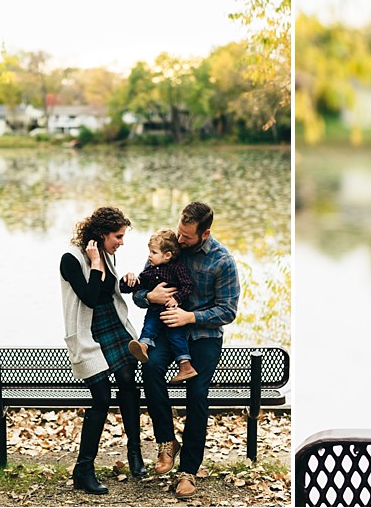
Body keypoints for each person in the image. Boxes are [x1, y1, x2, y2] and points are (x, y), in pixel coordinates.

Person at [132, 202, 239, 499]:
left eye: (187, 236)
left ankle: (188, 471)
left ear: (205, 234)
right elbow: (141, 290)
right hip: (168, 329)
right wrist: (147, 296)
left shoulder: (223, 261)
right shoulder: (169, 245)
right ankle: (167, 442)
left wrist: (190, 316)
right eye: (179, 231)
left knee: (197, 394)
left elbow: (228, 311)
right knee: (151, 367)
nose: (180, 240)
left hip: (203, 335)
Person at [59, 206, 146, 494]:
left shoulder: (107, 254)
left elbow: (108, 290)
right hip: (87, 335)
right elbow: (90, 298)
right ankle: (84, 469)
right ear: (101, 235)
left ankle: (135, 452)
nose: (121, 242)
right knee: (102, 398)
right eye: (118, 236)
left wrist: (126, 281)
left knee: (127, 382)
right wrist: (96, 263)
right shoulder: (71, 260)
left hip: (113, 327)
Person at [122, 228, 198, 383]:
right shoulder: (150, 270)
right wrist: (127, 280)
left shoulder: (177, 268)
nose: (149, 255)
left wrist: (176, 298)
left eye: (153, 252)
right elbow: (136, 287)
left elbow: (188, 286)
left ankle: (185, 367)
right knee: (149, 326)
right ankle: (143, 346)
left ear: (167, 255)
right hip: (155, 310)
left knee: (176, 337)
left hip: (173, 312)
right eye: (149, 251)